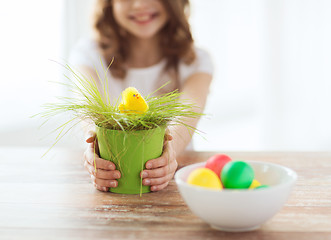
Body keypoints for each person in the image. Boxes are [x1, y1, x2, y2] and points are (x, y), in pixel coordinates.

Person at [69, 0, 213, 192]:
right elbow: (88, 109)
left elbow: (190, 110)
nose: (139, 5)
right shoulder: (88, 54)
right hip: (114, 184)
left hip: (176, 185)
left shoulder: (196, 61)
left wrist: (168, 154)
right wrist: (93, 146)